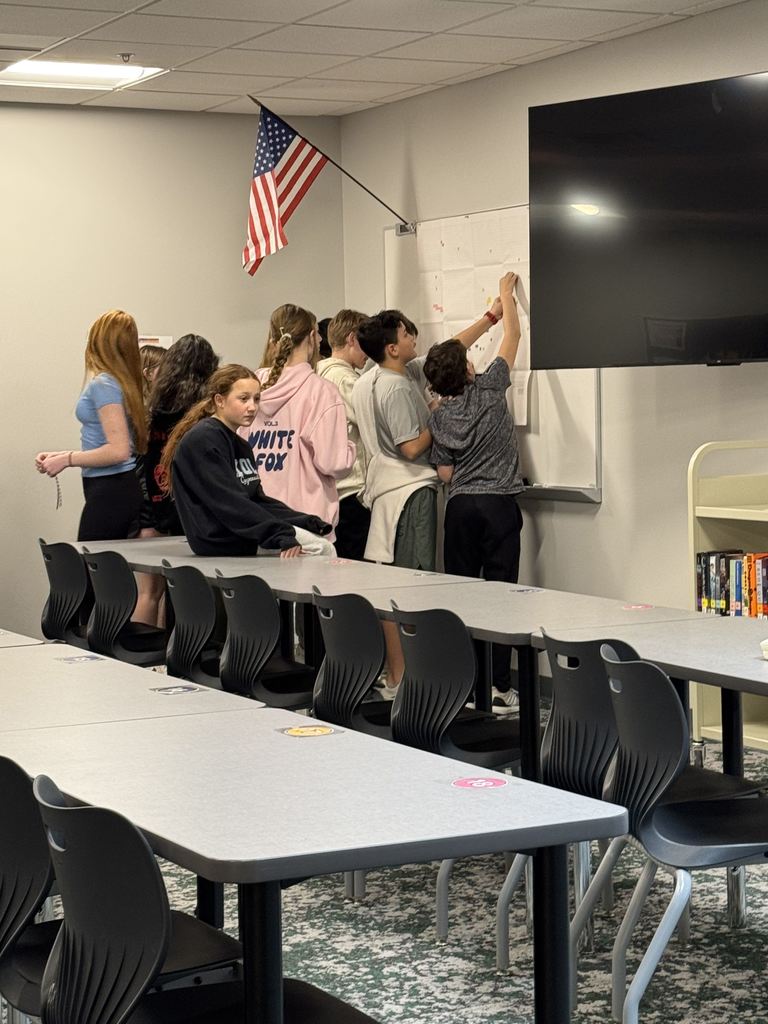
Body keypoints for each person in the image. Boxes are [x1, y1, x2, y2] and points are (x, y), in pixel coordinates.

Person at [352, 304, 501, 687]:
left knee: (392, 584)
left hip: (387, 489)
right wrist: (440, 417)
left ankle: (397, 677)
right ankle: (405, 679)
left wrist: (489, 318)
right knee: (411, 585)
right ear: (392, 348)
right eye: (406, 335)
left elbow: (449, 349)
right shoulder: (397, 388)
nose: (414, 338)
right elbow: (412, 448)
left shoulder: (374, 375)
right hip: (409, 490)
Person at [424, 272, 524, 710]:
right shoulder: (490, 386)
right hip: (499, 506)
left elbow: (445, 473)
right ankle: (499, 687)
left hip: (461, 508)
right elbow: (513, 334)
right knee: (500, 596)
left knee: (463, 596)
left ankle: (467, 687)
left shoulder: (439, 418)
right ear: (468, 368)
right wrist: (505, 297)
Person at [160, 364, 334, 557]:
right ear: (220, 400)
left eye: (256, 399)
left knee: (317, 542)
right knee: (324, 548)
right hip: (221, 539)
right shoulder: (203, 440)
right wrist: (279, 533)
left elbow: (256, 500)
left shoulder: (241, 445)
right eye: (243, 399)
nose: (252, 407)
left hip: (240, 533)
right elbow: (228, 503)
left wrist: (304, 520)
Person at [242, 304, 355, 540]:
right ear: (312, 337)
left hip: (255, 519)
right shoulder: (321, 392)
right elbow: (333, 462)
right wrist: (350, 449)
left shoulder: (249, 387)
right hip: (306, 523)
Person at [35, 309, 147, 542]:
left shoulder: (104, 384)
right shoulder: (119, 382)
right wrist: (61, 455)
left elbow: (118, 450)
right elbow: (110, 441)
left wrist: (67, 460)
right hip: (113, 487)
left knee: (91, 570)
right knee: (103, 570)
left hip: (111, 489)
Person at [133, 334, 220, 625]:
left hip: (154, 503)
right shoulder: (202, 412)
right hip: (189, 508)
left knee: (150, 594)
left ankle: (145, 661)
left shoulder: (154, 407)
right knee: (185, 594)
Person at [316, 309, 371, 560]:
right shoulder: (344, 379)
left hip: (330, 491)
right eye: (365, 343)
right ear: (351, 339)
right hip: (350, 490)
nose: (369, 351)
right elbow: (371, 422)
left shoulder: (318, 373)